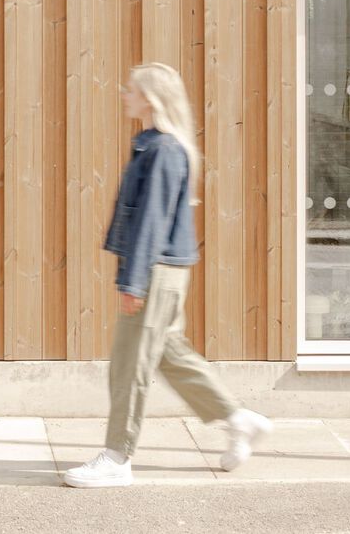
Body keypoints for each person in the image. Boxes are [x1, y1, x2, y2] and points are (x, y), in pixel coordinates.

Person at [63, 62, 272, 488]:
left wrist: (133, 282)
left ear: (151, 99)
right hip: (165, 269)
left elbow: (151, 222)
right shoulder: (158, 145)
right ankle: (238, 418)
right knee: (169, 354)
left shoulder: (161, 150)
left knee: (129, 364)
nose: (125, 95)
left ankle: (117, 457)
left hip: (154, 270)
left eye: (131, 90)